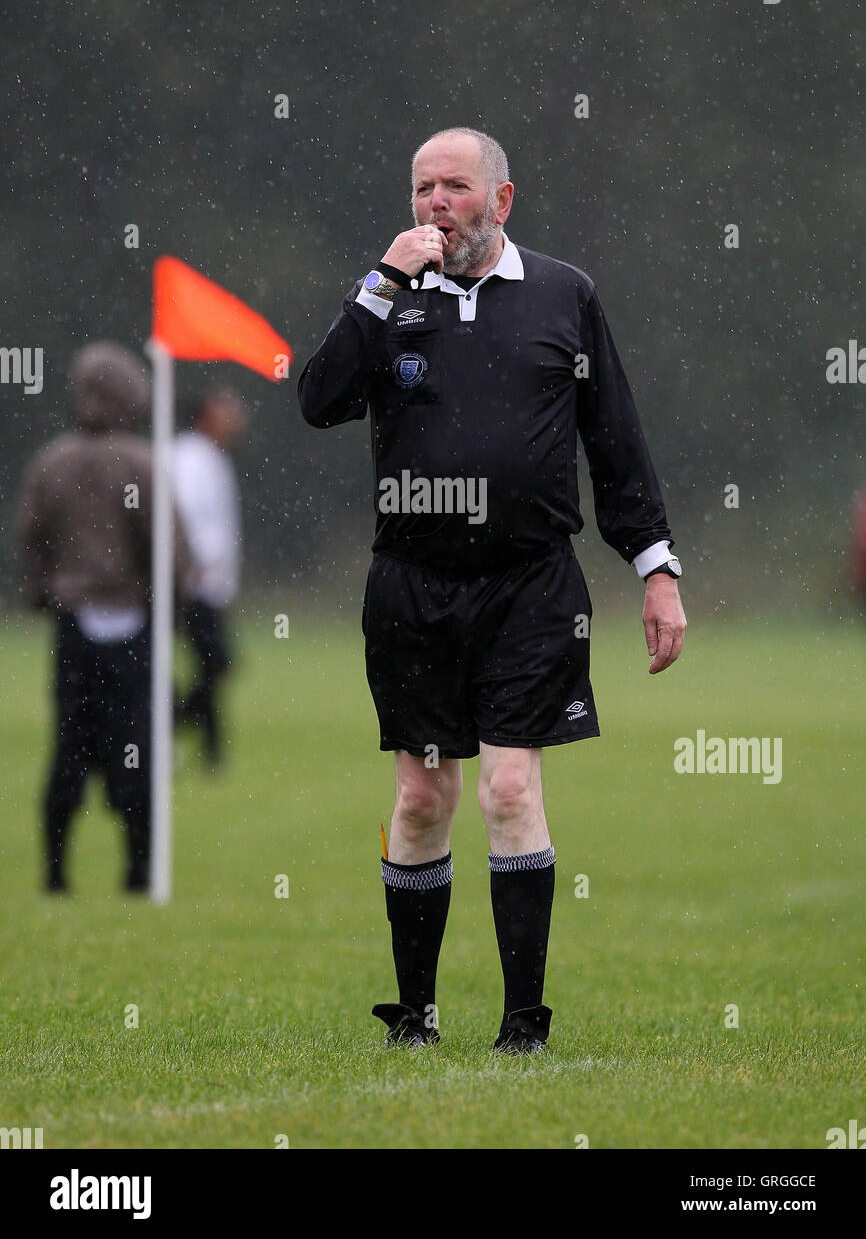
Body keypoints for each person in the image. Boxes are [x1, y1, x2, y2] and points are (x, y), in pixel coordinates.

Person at [297, 127, 687, 1053]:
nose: (437, 204)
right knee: (425, 797)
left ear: (501, 202)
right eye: (423, 187)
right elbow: (319, 399)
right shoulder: (386, 299)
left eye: (457, 187)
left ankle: (524, 1023)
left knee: (510, 789)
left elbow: (616, 440)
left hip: (531, 584)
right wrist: (378, 285)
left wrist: (656, 568)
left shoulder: (564, 294)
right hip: (413, 586)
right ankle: (416, 1017)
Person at [17, 342, 190, 893]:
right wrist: (174, 608)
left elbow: (30, 539)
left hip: (72, 628)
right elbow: (168, 552)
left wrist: (46, 591)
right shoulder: (140, 462)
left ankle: (55, 873)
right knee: (134, 748)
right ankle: (138, 872)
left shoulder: (52, 461)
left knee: (69, 749)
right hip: (132, 628)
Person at [172, 388, 246, 766]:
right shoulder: (189, 457)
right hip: (192, 583)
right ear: (205, 415)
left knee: (210, 665)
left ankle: (211, 751)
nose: (236, 419)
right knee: (217, 663)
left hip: (208, 583)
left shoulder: (211, 457)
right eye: (227, 411)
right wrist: (196, 563)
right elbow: (184, 513)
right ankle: (169, 723)